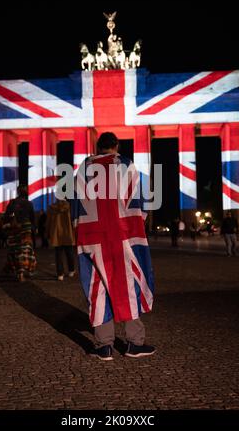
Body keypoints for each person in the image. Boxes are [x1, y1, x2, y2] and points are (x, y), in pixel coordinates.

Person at [71, 132, 155, 361]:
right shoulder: (125, 164)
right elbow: (137, 198)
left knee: (97, 285)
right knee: (127, 282)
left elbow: (75, 203)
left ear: (97, 147)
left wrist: (78, 229)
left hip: (91, 235)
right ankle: (134, 342)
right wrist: (139, 223)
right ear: (116, 146)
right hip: (122, 232)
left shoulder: (83, 168)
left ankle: (104, 345)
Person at [3, 185, 36, 281]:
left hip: (14, 228)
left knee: (15, 249)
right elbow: (32, 217)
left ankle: (18, 271)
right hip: (26, 228)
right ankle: (26, 270)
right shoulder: (29, 203)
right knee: (25, 249)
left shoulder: (12, 202)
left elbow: (6, 216)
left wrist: (6, 226)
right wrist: (33, 228)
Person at [46, 198, 75, 281]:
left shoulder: (51, 208)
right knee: (69, 252)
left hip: (56, 234)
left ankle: (60, 274)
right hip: (67, 233)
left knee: (58, 254)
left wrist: (47, 233)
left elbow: (48, 222)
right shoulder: (70, 207)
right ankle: (71, 270)